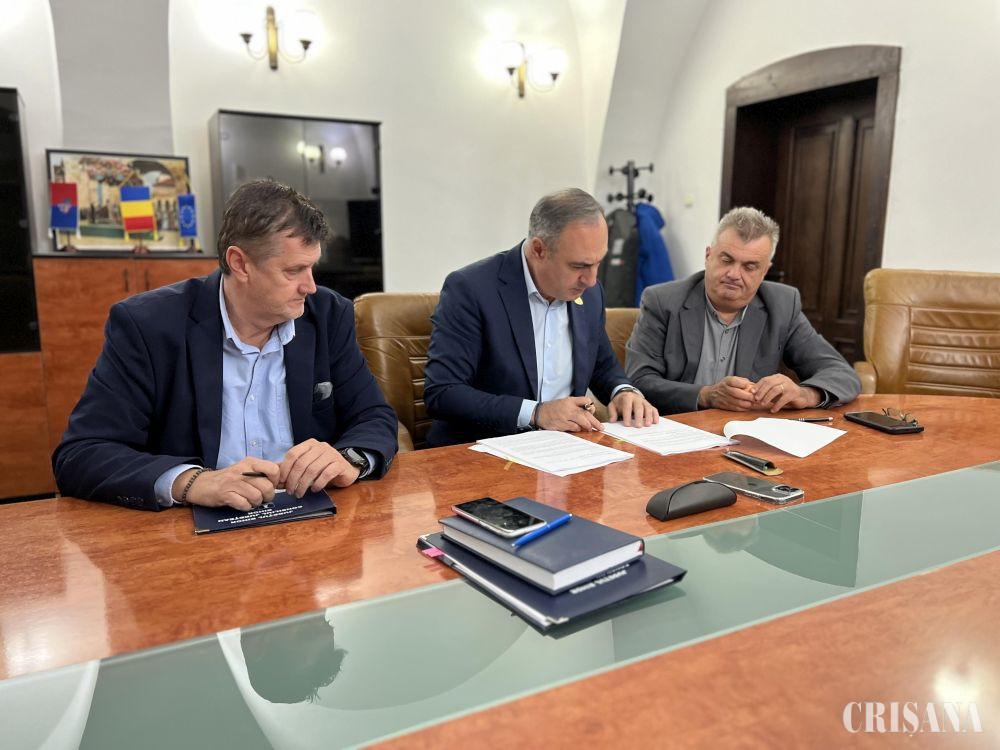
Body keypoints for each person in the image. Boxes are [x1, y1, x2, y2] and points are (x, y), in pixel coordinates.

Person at [53, 180, 398, 511]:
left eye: (312, 268)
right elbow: (82, 454)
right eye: (294, 271)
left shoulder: (328, 314)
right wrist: (192, 482)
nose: (310, 286)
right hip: (188, 533)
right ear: (240, 263)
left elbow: (373, 415)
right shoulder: (148, 325)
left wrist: (349, 458)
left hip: (309, 518)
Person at [424, 187, 658, 447]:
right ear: (538, 249)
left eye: (598, 263)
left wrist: (623, 392)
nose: (591, 280)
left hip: (563, 450)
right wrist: (537, 413)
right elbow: (443, 393)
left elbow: (602, 366)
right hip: (482, 450)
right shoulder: (472, 289)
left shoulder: (590, 294)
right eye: (579, 266)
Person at [625, 206, 861, 414]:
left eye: (749, 266)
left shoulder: (782, 305)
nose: (734, 274)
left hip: (744, 434)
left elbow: (841, 373)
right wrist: (706, 395)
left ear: (764, 271)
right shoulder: (662, 301)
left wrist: (805, 394)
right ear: (708, 256)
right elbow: (638, 381)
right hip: (676, 431)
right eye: (727, 260)